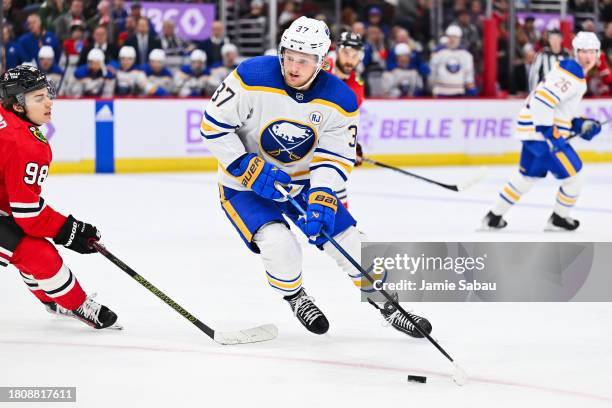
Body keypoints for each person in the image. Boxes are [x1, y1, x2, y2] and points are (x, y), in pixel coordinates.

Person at [199, 16, 432, 338]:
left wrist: (323, 193)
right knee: (278, 243)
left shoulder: (341, 98)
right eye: (289, 58)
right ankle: (297, 298)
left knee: (350, 240)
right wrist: (244, 165)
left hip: (304, 181)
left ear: (322, 62)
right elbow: (213, 125)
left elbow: (334, 155)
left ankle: (389, 305)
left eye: (304, 61)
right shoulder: (251, 76)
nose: (293, 67)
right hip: (244, 186)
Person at [0, 65, 121, 330]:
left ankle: (54, 299)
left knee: (26, 247)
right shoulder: (27, 143)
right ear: (18, 106)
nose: (49, 102)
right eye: (38, 97)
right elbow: (29, 215)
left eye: (47, 94)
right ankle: (75, 303)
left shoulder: (9, 121)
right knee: (39, 255)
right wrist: (70, 230)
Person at [482, 32, 603, 231]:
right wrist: (550, 133)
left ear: (598, 53)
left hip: (531, 132)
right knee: (575, 178)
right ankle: (559, 219)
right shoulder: (572, 72)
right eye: (583, 51)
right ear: (575, 52)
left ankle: (493, 217)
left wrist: (578, 125)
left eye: (592, 51)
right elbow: (542, 101)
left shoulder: (569, 71)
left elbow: (555, 107)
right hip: (540, 134)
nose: (588, 57)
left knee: (527, 177)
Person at [324, 31, 366, 207]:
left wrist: (352, 145)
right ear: (337, 51)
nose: (350, 59)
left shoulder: (357, 83)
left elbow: (348, 120)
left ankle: (342, 232)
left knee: (337, 191)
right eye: (346, 53)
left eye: (355, 55)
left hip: (326, 145)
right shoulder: (321, 68)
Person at [430, 25, 476, 97]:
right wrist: (432, 88)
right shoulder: (438, 53)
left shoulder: (466, 54)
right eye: (450, 37)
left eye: (455, 37)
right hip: (441, 91)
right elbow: (432, 72)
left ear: (459, 39)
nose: (452, 39)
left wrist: (471, 87)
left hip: (459, 92)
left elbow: (468, 73)